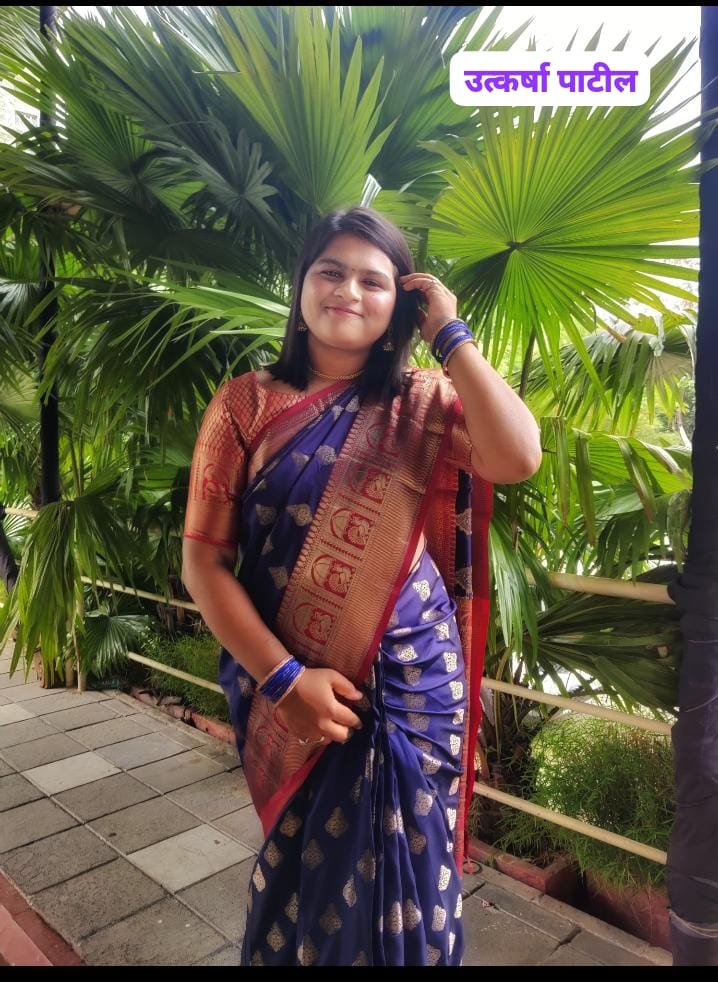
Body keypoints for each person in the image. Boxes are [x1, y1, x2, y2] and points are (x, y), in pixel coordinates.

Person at [181, 207, 542, 966]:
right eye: (331, 272)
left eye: (374, 281)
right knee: (306, 888)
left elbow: (517, 457)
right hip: (295, 684)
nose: (348, 290)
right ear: (301, 286)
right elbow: (203, 564)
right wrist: (283, 680)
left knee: (416, 877)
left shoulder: (424, 400)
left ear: (399, 305)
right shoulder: (244, 403)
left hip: (418, 686)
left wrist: (451, 334)